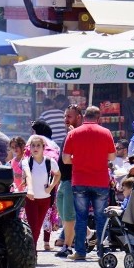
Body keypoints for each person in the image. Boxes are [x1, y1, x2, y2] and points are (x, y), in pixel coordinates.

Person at [62, 106, 115, 260]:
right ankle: (102, 252)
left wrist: (78, 160)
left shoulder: (73, 133)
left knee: (81, 217)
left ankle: (80, 251)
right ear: (98, 118)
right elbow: (112, 157)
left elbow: (65, 159)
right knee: (101, 217)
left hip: (79, 180)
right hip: (100, 181)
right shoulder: (106, 132)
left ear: (84, 116)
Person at [21, 135, 60, 250]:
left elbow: (58, 174)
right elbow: (28, 175)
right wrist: (30, 189)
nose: (35, 148)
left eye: (38, 145)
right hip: (31, 199)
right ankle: (32, 251)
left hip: (45, 199)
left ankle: (31, 251)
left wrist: (51, 186)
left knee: (38, 227)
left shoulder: (50, 162)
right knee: (33, 226)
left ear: (43, 148)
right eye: (33, 145)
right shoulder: (26, 162)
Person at [55, 105, 83, 258]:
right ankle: (89, 234)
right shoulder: (70, 133)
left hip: (72, 180)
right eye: (65, 116)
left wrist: (73, 135)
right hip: (64, 179)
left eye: (69, 116)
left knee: (69, 215)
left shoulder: (78, 134)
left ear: (78, 117)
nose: (66, 119)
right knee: (64, 214)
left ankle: (67, 246)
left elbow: (78, 155)